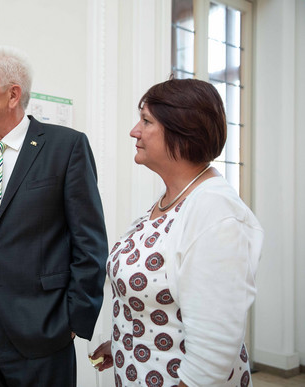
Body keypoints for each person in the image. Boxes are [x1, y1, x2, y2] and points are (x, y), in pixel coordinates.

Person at [0, 46, 108, 387]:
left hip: (44, 329)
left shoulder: (66, 147)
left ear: (13, 94)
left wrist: (76, 320)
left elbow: (89, 241)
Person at [90, 78, 263, 386]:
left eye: (146, 121)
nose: (134, 131)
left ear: (182, 131)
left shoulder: (215, 211)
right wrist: (125, 342)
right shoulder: (171, 200)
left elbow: (213, 353)